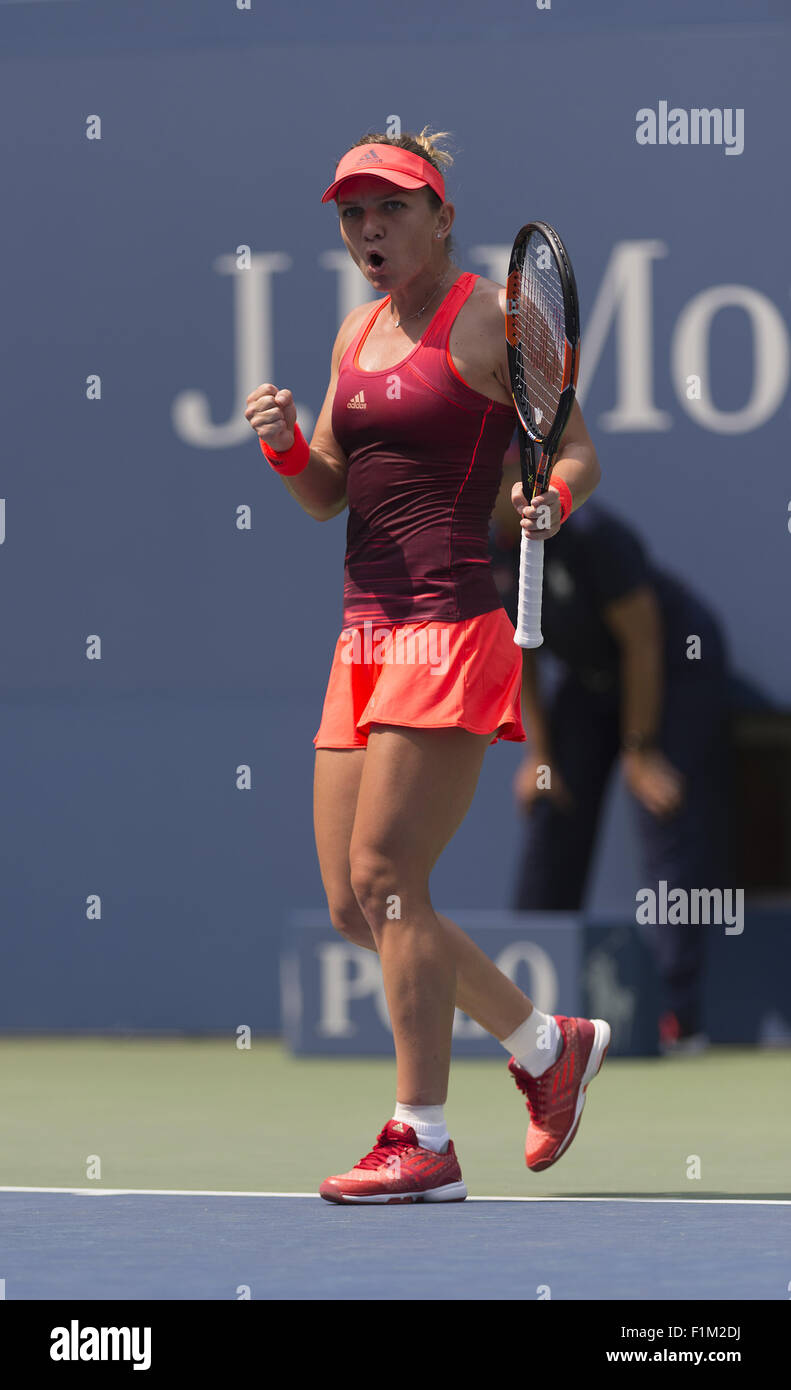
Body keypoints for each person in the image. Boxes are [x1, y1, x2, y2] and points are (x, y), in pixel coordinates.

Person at [245, 128, 608, 1204]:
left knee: (388, 880)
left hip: (451, 629)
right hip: (361, 638)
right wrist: (281, 445)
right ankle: (546, 1046)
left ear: (441, 218)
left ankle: (423, 1138)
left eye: (390, 207)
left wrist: (557, 496)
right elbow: (326, 495)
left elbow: (575, 447)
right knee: (362, 906)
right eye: (353, 213)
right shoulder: (353, 335)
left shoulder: (494, 326)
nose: (367, 228)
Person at [490, 456, 730, 1053]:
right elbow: (523, 654)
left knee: (661, 807)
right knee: (553, 800)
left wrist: (641, 752)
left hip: (674, 669)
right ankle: (528, 1014)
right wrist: (537, 755)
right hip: (593, 681)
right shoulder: (488, 550)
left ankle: (678, 1017)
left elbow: (643, 641)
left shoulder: (594, 536)